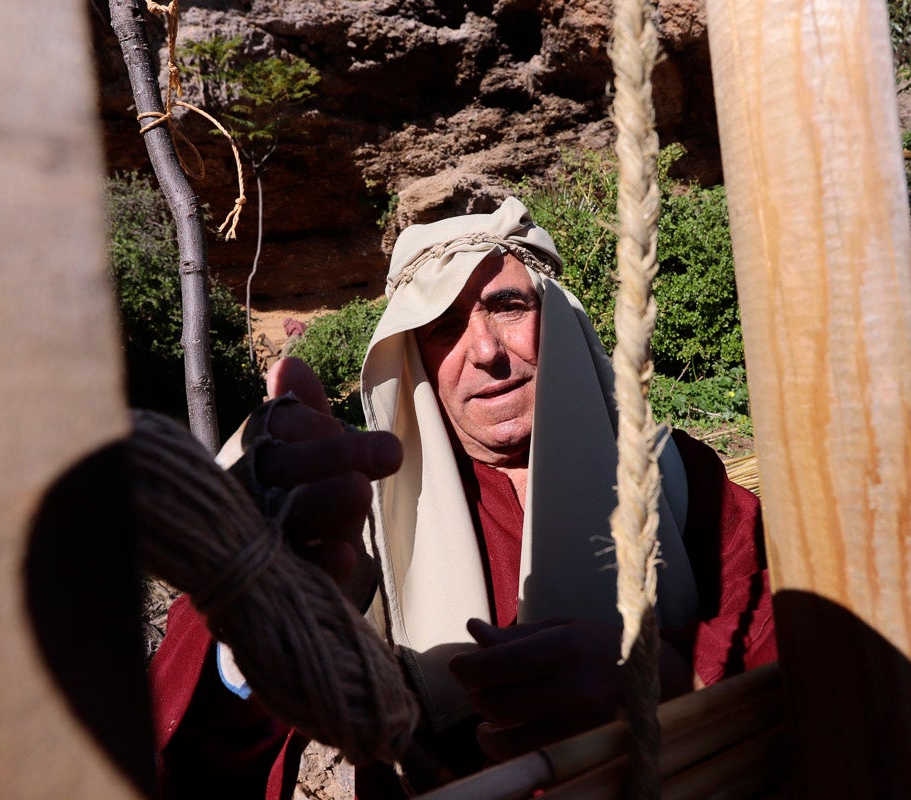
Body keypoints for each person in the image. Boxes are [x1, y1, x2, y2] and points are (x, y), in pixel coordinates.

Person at [149, 197, 777, 798]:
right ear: (414, 356)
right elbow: (189, 756)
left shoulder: (672, 473)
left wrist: (658, 676)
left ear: (556, 320)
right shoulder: (354, 508)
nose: (485, 353)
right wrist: (254, 609)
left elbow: (797, 629)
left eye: (507, 306)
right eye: (444, 326)